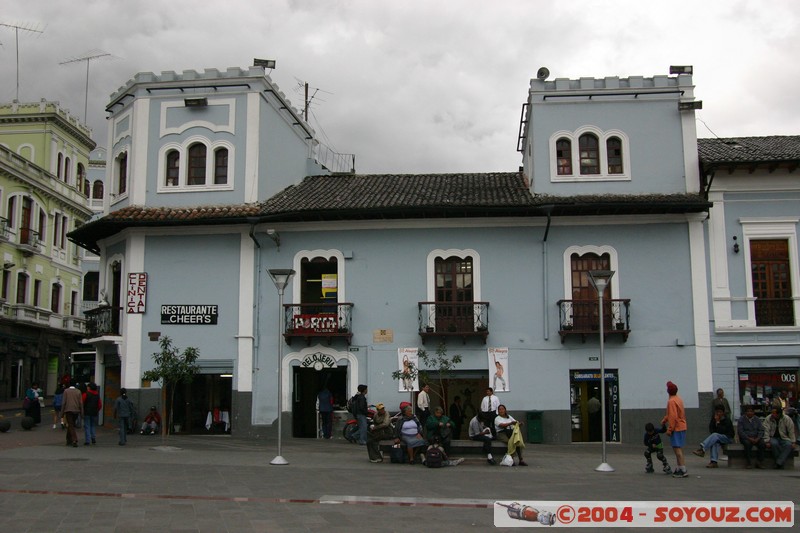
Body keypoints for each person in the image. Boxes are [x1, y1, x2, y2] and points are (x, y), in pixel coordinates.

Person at [661, 381, 688, 478]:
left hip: (677, 428)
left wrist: (669, 429)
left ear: (668, 391)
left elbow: (672, 416)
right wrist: (664, 420)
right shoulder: (678, 399)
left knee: (677, 449)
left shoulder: (671, 401)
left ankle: (683, 469)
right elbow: (672, 414)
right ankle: (679, 467)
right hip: (682, 426)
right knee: (678, 448)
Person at [62, 383, 83, 447]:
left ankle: (74, 439)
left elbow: (63, 402)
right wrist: (82, 412)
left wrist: (62, 412)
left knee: (70, 425)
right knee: (71, 424)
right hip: (76, 410)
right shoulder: (78, 391)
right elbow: (81, 403)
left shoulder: (66, 391)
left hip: (68, 410)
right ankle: (68, 439)